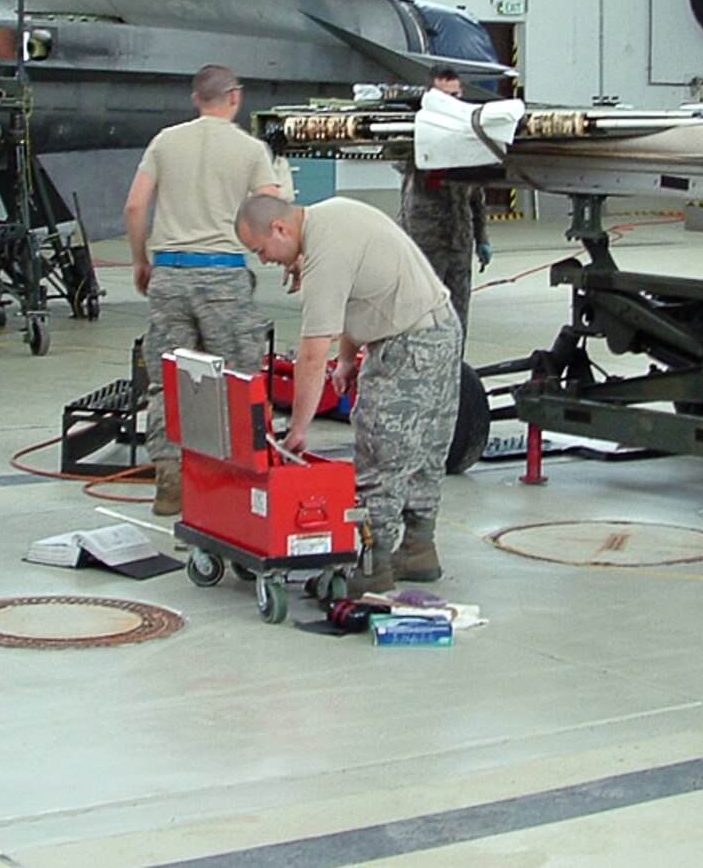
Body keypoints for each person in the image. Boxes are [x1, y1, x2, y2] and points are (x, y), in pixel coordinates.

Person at [235, 194, 461, 594]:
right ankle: (418, 547)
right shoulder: (332, 216)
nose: (265, 260)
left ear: (280, 229)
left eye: (261, 250)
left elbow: (310, 353)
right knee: (425, 452)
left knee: (380, 457)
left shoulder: (323, 256)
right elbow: (360, 294)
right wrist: (347, 360)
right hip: (439, 332)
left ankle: (375, 566)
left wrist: (300, 428)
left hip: (408, 347)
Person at [124, 64, 284, 516]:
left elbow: (136, 205)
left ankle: (170, 482)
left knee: (168, 383)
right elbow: (270, 210)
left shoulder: (165, 141)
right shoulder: (252, 150)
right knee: (239, 383)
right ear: (235, 97)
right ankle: (237, 486)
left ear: (196, 99)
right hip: (224, 276)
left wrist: (141, 260)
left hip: (169, 275)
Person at [398, 67, 491, 331]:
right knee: (424, 316)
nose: (450, 102)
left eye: (455, 95)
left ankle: (456, 368)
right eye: (443, 96)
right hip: (425, 241)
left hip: (459, 241)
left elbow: (476, 193)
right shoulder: (415, 128)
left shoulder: (469, 131)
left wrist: (482, 237)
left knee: (458, 317)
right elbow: (399, 161)